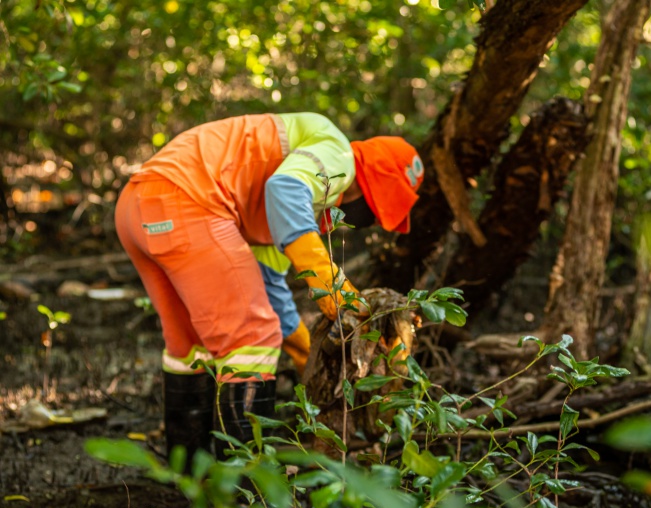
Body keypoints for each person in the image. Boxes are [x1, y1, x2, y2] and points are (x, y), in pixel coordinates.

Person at [114, 112, 424, 461]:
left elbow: (272, 293)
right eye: (377, 210)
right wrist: (332, 286)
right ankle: (241, 493)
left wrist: (316, 356)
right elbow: (286, 188)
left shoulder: (265, 213)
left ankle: (190, 480)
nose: (369, 222)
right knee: (253, 337)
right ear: (372, 185)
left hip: (137, 207)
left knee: (190, 345)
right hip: (189, 200)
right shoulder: (338, 153)